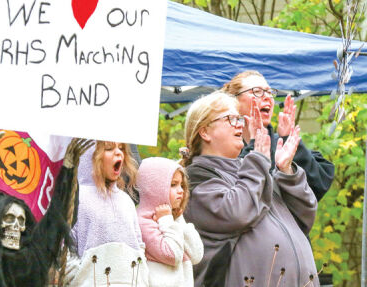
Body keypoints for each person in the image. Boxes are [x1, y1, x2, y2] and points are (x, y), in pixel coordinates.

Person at [181, 91, 319, 287]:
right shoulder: (195, 178)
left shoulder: (251, 170)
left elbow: (305, 217)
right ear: (204, 132)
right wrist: (258, 161)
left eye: (239, 118)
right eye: (229, 119)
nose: (239, 124)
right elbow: (236, 213)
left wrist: (286, 171)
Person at [0, 132, 92, 287]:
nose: (15, 227)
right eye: (9, 218)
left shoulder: (30, 261)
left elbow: (53, 221)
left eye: (21, 221)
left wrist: (67, 169)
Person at [222, 70, 334, 201]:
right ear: (234, 101)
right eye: (257, 91)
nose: (267, 97)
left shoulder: (279, 142)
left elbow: (317, 187)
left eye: (270, 92)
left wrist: (287, 139)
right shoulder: (221, 148)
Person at [65, 141, 148, 286]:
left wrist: (141, 279)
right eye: (109, 148)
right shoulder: (77, 198)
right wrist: (80, 279)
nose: (118, 152)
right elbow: (65, 249)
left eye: (121, 148)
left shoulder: (126, 201)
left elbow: (139, 245)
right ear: (91, 156)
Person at [136, 157, 203, 287]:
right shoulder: (143, 222)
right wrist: (166, 221)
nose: (181, 190)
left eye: (182, 185)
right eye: (173, 185)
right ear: (154, 188)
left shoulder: (171, 219)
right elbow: (173, 255)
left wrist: (177, 219)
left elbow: (196, 255)